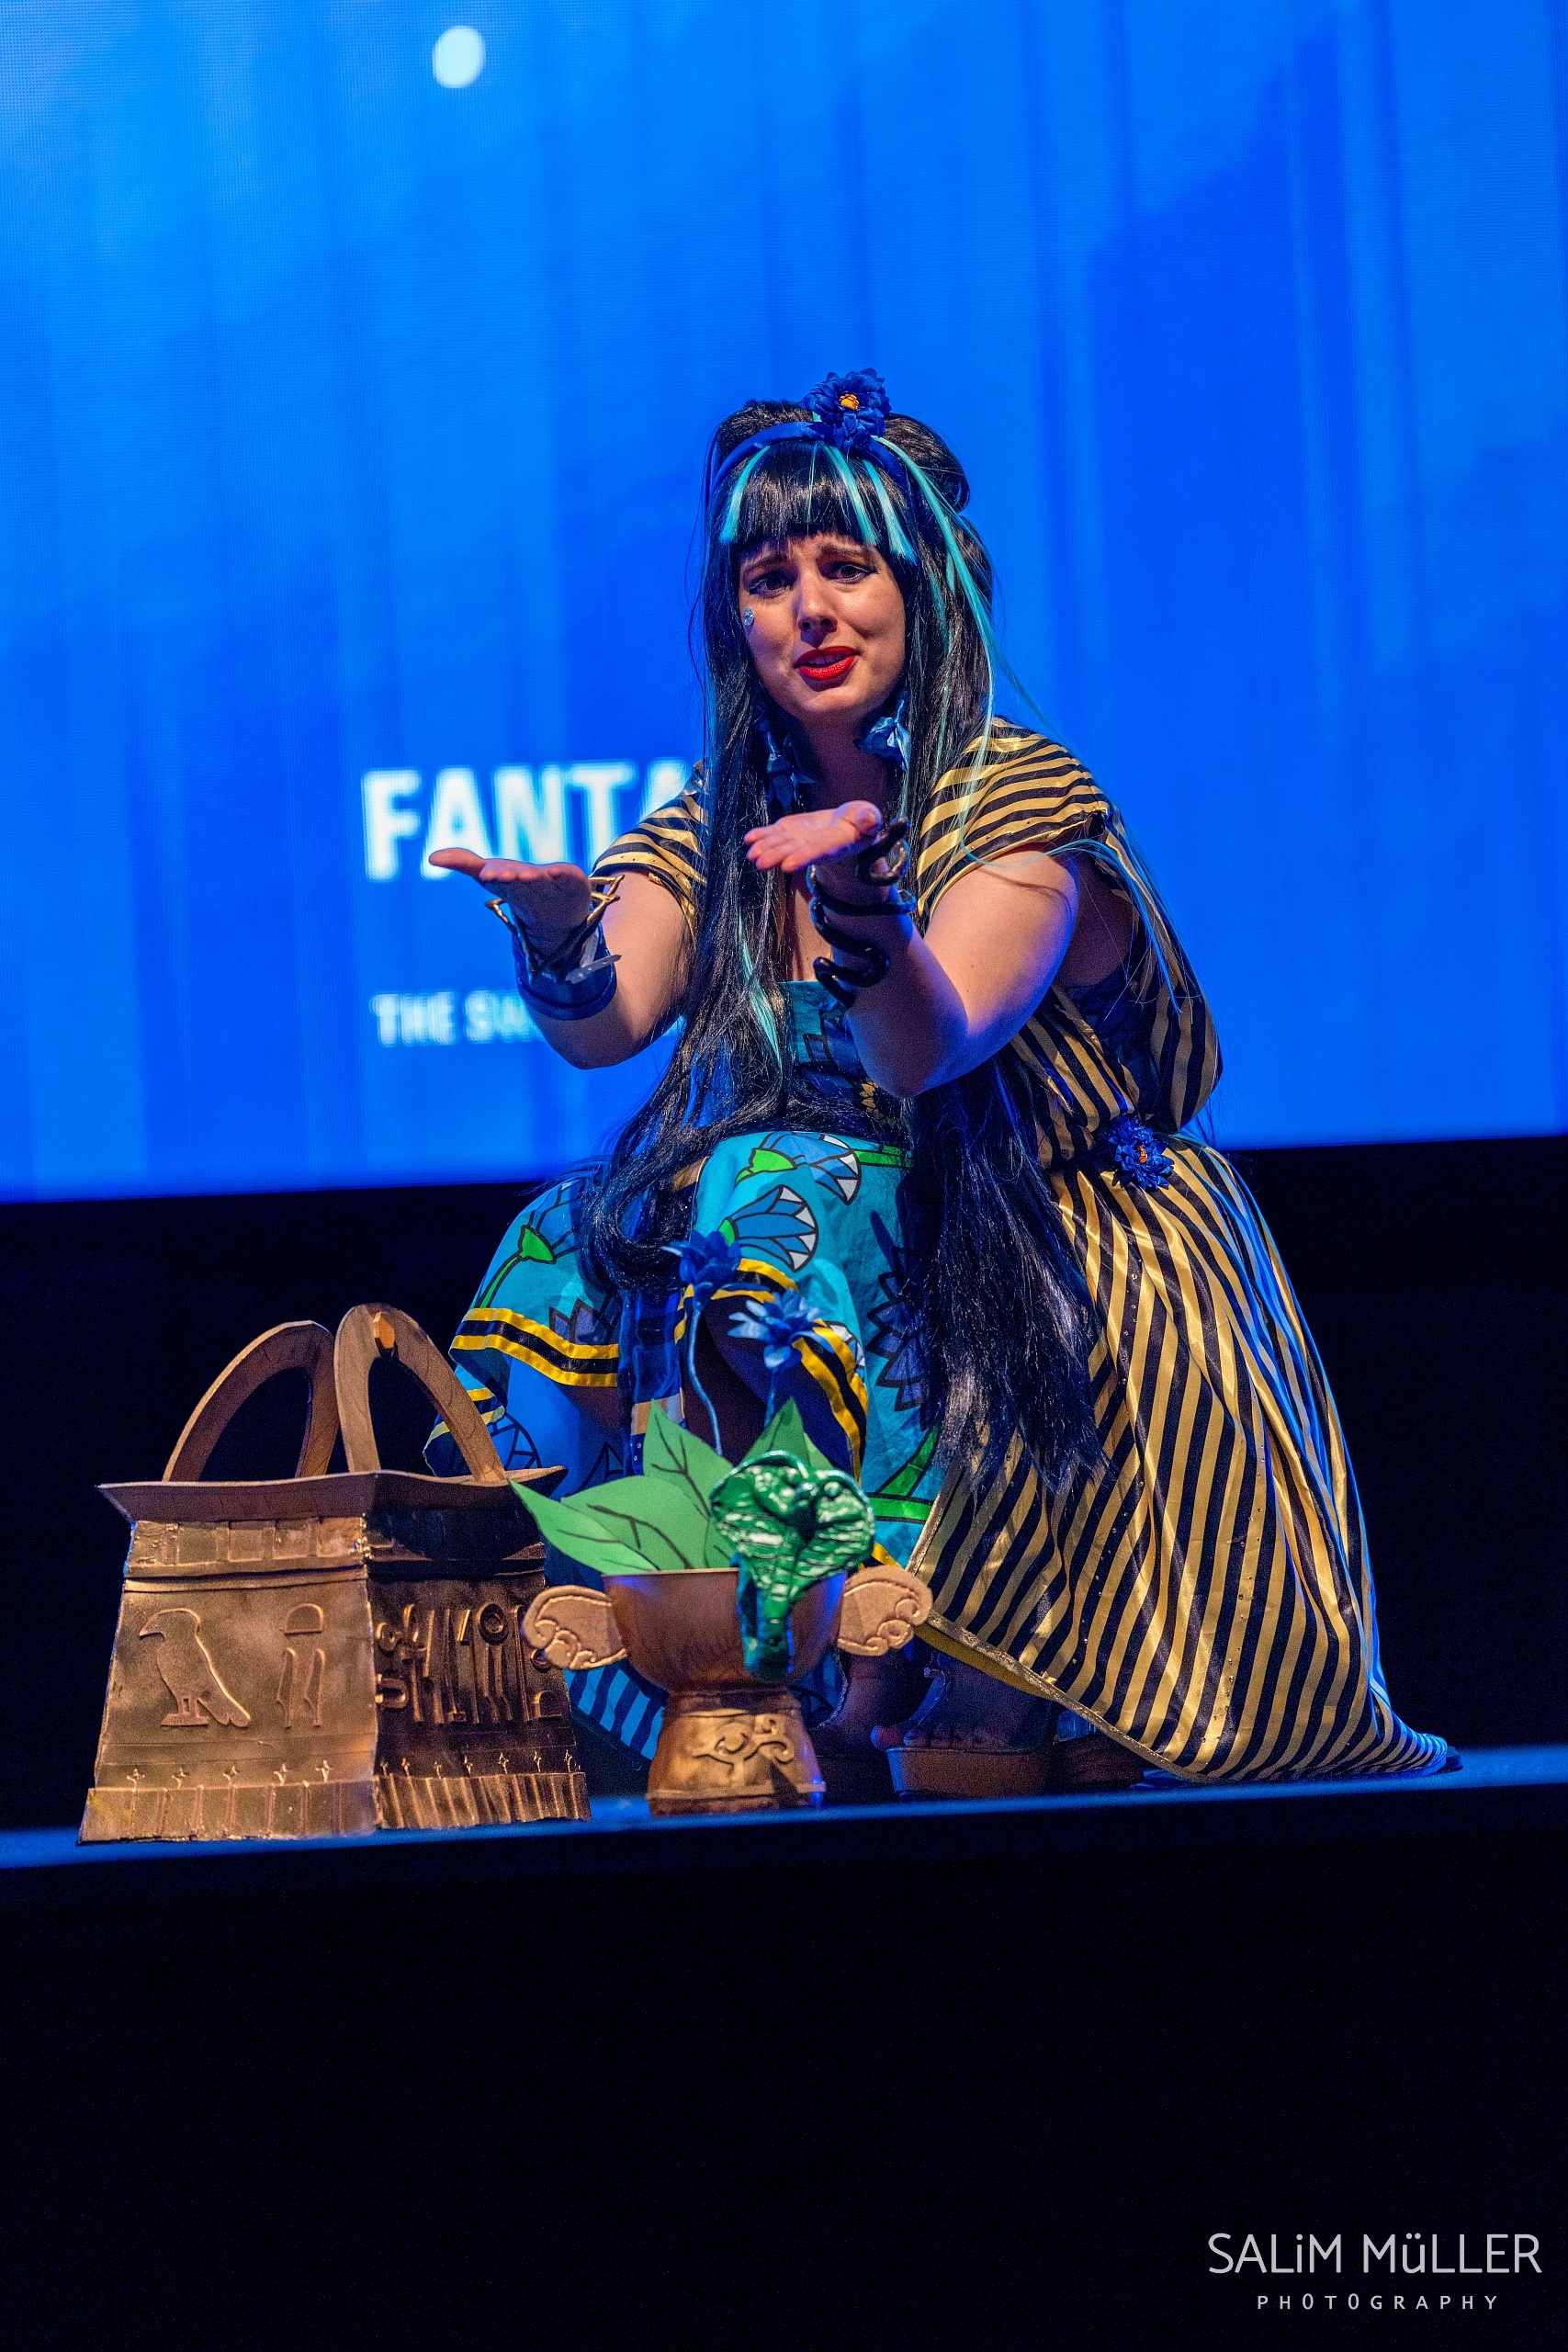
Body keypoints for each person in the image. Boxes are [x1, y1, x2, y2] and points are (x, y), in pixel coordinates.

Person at [429, 368, 1446, 1788]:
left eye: (847, 568)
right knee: (581, 1231)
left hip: (1061, 1261)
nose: (811, 610)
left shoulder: (1019, 801)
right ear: (733, 619)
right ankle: (661, 1625)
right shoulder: (722, 820)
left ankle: (923, 1636)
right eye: (770, 578)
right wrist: (556, 937)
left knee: (772, 1190)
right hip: (842, 1238)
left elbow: (926, 1044)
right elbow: (611, 1017)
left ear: (925, 590)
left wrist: (861, 904)